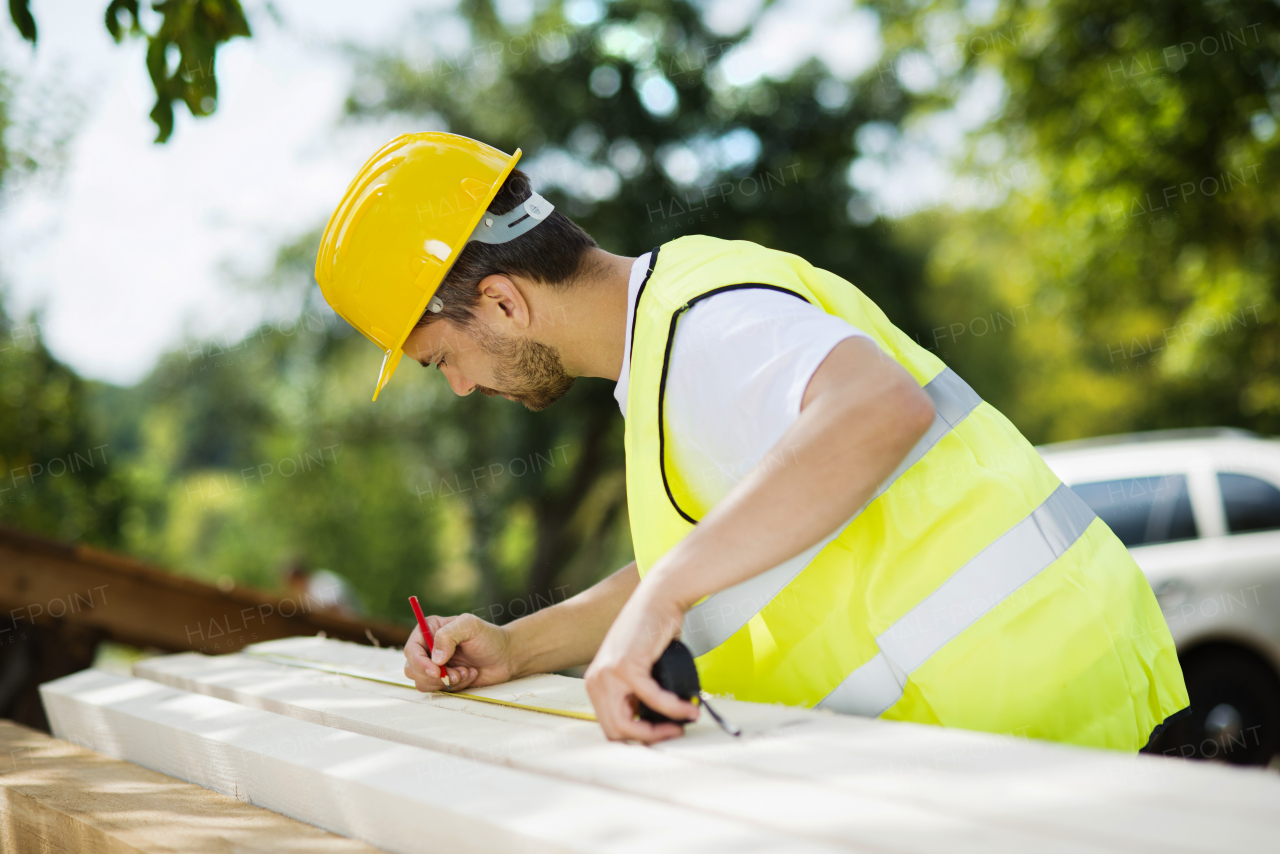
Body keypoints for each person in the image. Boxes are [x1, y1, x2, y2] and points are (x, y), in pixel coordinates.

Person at [315, 132, 1188, 747]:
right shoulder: (666, 344)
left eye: (443, 359)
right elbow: (712, 557)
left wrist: (663, 606)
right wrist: (517, 646)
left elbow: (880, 408)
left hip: (1050, 728)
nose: (465, 386)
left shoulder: (703, 329)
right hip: (1029, 721)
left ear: (502, 301)